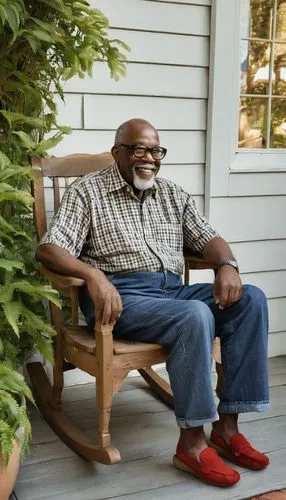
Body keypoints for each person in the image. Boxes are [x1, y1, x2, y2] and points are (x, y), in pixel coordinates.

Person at [36, 118, 269, 487]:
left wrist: (227, 265)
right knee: (194, 315)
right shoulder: (88, 192)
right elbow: (49, 249)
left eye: (155, 150)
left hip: (172, 292)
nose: (149, 158)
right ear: (118, 153)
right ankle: (191, 444)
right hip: (122, 298)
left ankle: (226, 428)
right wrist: (95, 277)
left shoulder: (173, 194)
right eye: (139, 149)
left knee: (251, 299)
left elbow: (211, 239)